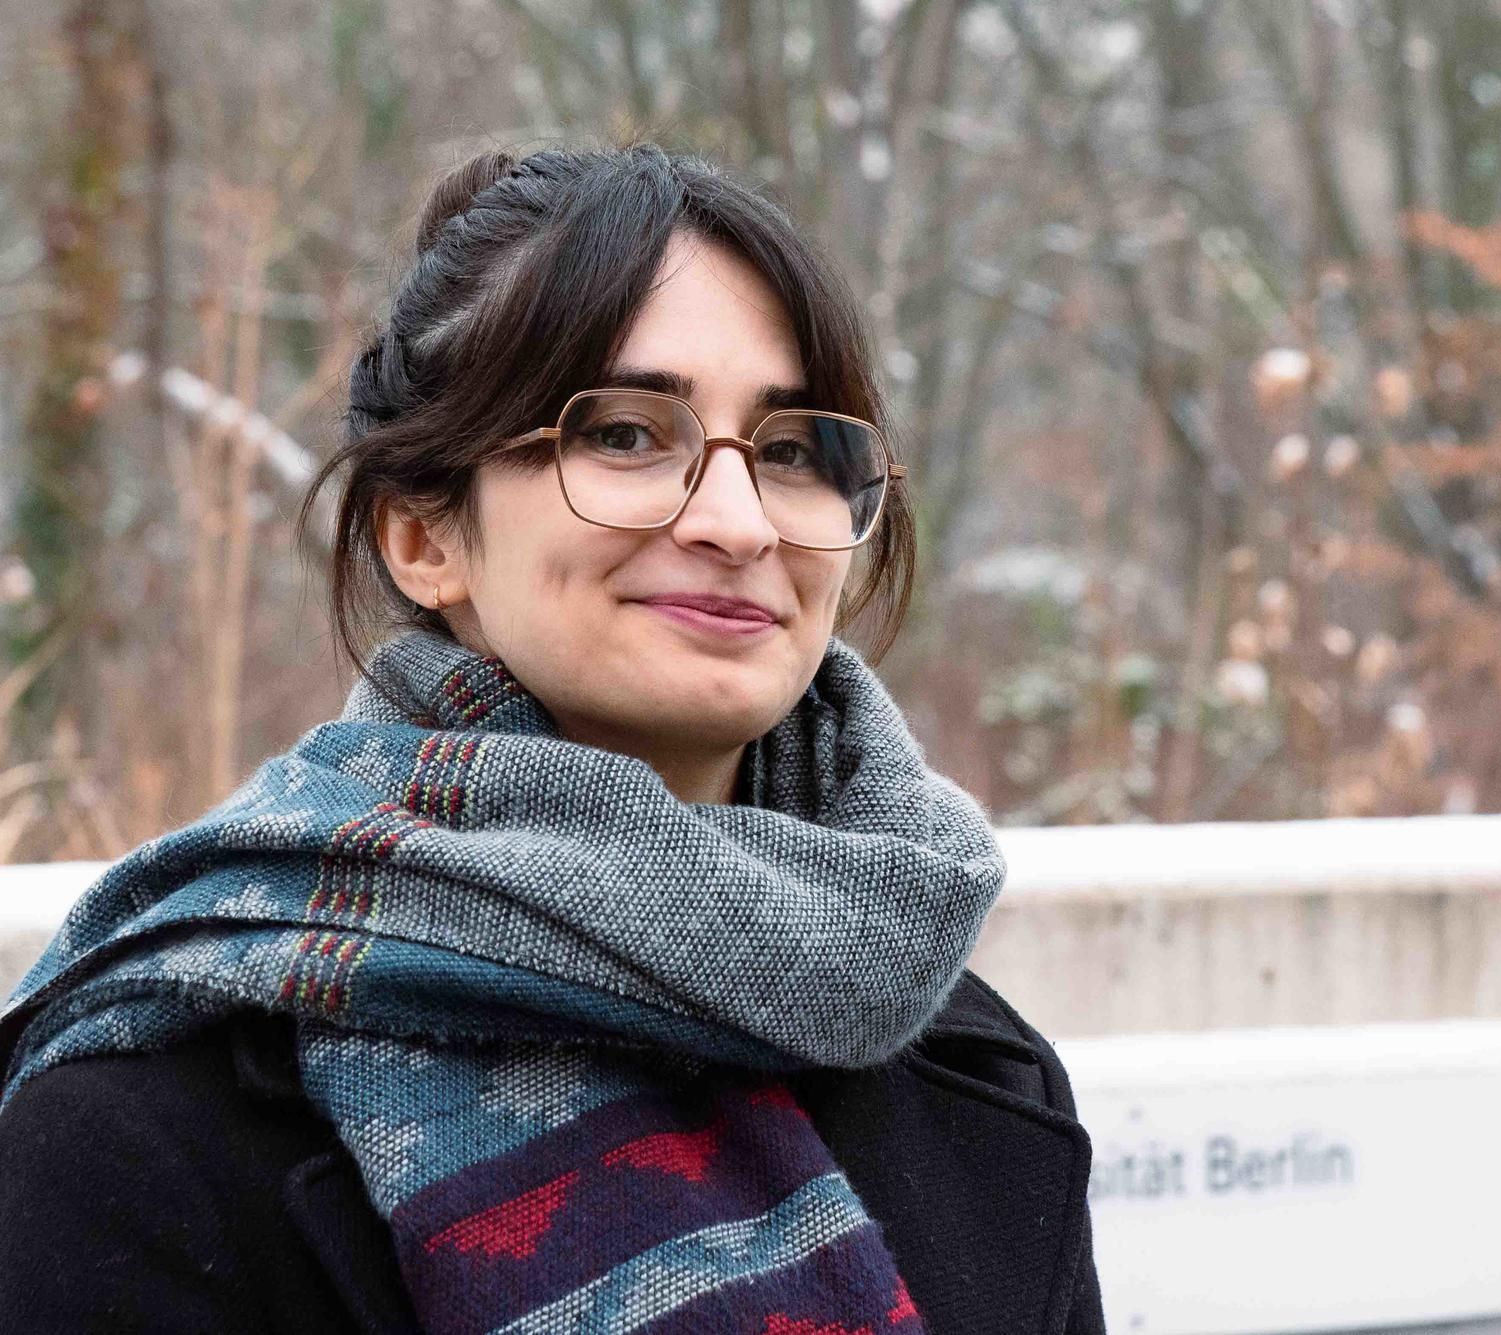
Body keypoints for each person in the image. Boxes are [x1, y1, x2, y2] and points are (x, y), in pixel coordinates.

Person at [0, 143, 1105, 1335]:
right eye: (627, 434)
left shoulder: (970, 1060)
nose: (736, 523)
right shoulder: (147, 1131)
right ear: (424, 538)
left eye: (789, 451)